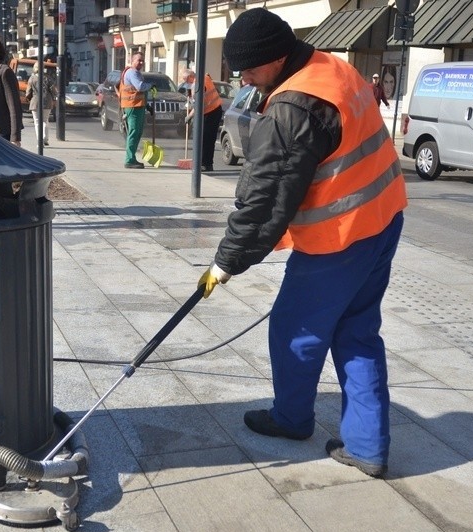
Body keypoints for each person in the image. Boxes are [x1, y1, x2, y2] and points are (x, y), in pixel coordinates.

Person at [198, 8, 407, 478]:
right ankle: (368, 447)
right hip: (383, 217)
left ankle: (291, 420)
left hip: (339, 239)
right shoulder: (331, 66)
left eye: (250, 70)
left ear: (276, 58)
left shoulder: (293, 107)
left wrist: (226, 263)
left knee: (295, 331)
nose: (245, 80)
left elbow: (264, 199)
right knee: (357, 333)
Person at [181, 69, 224, 172]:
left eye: (186, 80)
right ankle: (207, 164)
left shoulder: (196, 85)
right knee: (210, 139)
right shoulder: (204, 77)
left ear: (190, 77)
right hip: (216, 110)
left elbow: (198, 105)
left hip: (209, 113)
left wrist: (189, 116)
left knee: (203, 139)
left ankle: (203, 164)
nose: (186, 83)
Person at [118, 52, 152, 169]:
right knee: (133, 132)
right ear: (132, 61)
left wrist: (147, 105)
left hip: (137, 105)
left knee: (137, 132)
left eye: (142, 60)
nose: (141, 63)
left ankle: (132, 158)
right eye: (139, 60)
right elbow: (140, 87)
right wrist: (151, 85)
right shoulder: (132, 73)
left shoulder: (136, 73)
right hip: (133, 106)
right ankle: (129, 159)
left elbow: (139, 92)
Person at [26, 63, 56, 146]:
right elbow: (53, 90)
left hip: (35, 102)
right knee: (45, 120)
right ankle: (45, 138)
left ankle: (40, 141)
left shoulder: (32, 78)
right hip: (47, 101)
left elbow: (28, 92)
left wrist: (28, 98)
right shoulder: (48, 78)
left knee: (37, 122)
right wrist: (54, 98)